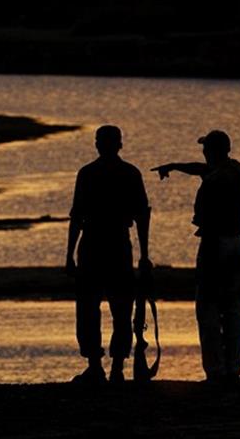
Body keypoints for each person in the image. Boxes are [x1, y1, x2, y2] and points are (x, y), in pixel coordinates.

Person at [152, 130, 240, 384]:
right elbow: (200, 169)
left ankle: (216, 371)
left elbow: (207, 176)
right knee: (235, 307)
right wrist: (174, 165)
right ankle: (232, 369)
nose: (202, 152)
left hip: (215, 244)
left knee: (208, 307)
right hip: (237, 243)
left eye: (205, 148)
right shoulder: (236, 169)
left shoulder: (217, 178)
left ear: (211, 150)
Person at [66, 125, 151, 383]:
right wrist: (144, 254)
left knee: (90, 307)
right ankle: (115, 367)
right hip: (116, 245)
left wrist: (69, 254)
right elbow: (142, 217)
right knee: (121, 308)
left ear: (98, 145)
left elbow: (76, 217)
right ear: (120, 145)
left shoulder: (88, 173)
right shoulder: (130, 173)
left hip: (93, 244)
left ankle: (97, 365)